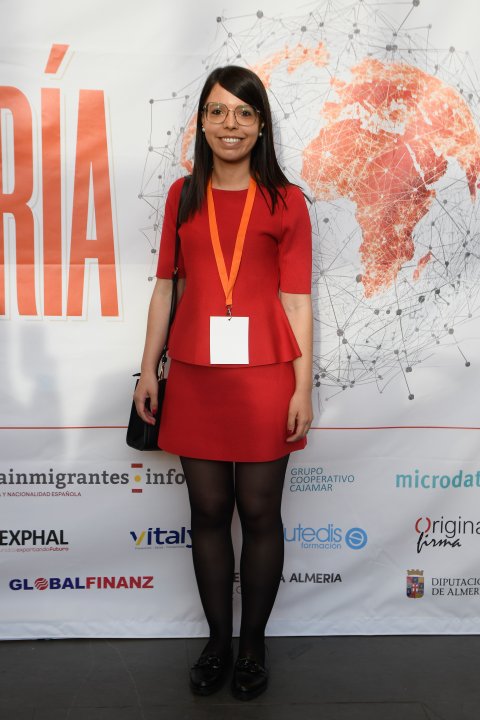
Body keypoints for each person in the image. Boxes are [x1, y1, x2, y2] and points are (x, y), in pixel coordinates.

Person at [134, 65, 313, 701]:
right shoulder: (182, 195)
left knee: (260, 513)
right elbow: (166, 288)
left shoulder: (287, 201)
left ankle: (253, 646)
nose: (229, 124)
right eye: (216, 111)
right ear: (202, 123)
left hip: (265, 377)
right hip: (196, 375)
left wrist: (302, 388)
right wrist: (148, 368)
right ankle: (217, 642)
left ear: (261, 124)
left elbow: (297, 300)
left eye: (242, 112)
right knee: (208, 511)